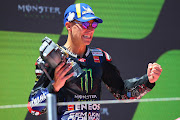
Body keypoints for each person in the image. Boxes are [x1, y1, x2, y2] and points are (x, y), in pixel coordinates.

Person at [27, 3, 162, 120]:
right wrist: (54, 86)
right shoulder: (52, 59)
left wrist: (148, 80)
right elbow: (33, 107)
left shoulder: (99, 57)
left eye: (94, 24)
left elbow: (121, 91)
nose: (90, 29)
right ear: (68, 26)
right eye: (85, 24)